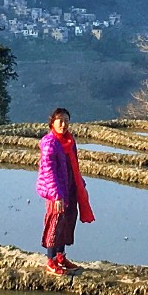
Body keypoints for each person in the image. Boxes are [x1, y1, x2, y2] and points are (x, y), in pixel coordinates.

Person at [36, 106, 93, 275]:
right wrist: (56, 196)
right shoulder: (49, 143)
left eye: (66, 121)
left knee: (67, 221)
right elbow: (49, 172)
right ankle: (50, 260)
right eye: (60, 121)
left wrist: (80, 185)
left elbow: (74, 165)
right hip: (57, 191)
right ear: (52, 123)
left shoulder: (69, 140)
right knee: (55, 223)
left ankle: (61, 257)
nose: (63, 124)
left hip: (70, 186)